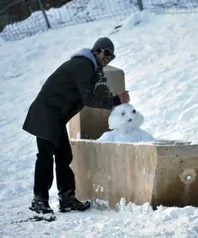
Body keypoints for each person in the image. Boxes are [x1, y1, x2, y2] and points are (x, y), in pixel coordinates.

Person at [23, 37, 130, 214]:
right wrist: (115, 100)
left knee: (64, 155)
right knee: (45, 156)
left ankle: (67, 198)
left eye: (112, 56)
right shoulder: (82, 65)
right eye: (106, 53)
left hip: (55, 116)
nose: (108, 58)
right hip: (46, 113)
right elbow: (88, 98)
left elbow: (86, 94)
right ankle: (39, 200)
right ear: (96, 51)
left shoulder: (91, 69)